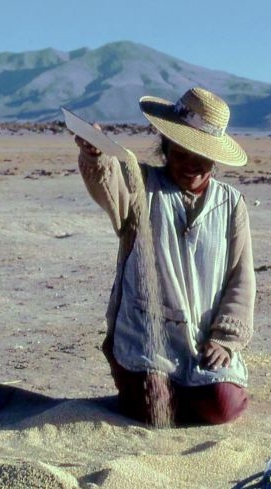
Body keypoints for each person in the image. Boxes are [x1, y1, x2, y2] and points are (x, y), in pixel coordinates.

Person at [74, 87, 255, 426]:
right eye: (181, 154)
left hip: (203, 337)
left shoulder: (231, 203)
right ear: (165, 146)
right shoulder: (141, 183)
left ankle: (195, 388)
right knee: (155, 409)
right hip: (144, 335)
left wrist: (226, 338)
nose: (190, 166)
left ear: (215, 160)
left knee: (222, 408)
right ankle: (159, 387)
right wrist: (97, 154)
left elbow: (240, 276)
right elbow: (109, 183)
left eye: (201, 159)